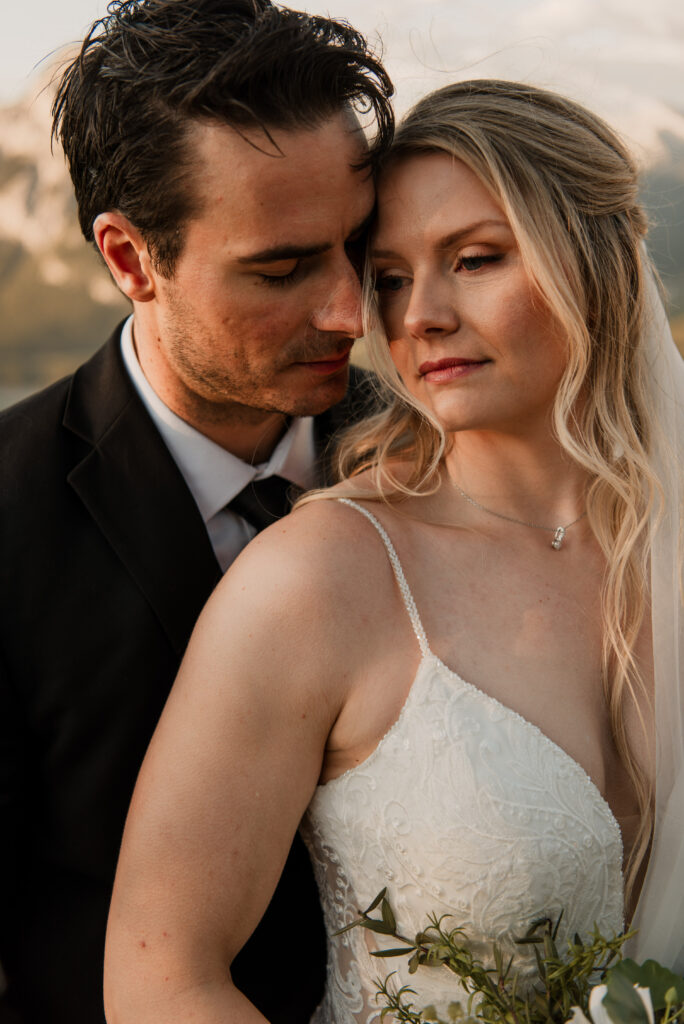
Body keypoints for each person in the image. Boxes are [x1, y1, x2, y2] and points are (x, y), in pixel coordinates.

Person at [103, 80, 684, 1023]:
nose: (420, 317)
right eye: (392, 279)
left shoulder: (672, 542)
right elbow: (161, 975)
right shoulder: (319, 578)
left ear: (598, 258)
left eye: (475, 259)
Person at [0, 1, 395, 1021]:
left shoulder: (445, 464)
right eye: (283, 267)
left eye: (361, 247)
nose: (350, 310)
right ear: (132, 260)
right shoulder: (7, 516)